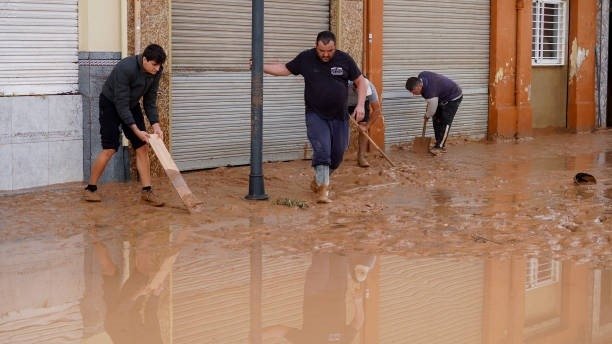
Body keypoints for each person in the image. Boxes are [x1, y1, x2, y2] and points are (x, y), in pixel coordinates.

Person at [262, 30, 368, 203]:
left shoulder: (344, 59)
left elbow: (360, 81)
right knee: (322, 150)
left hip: (339, 116)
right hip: (316, 115)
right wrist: (261, 65)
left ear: (335, 47)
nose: (326, 54)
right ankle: (324, 190)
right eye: (321, 51)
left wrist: (361, 104)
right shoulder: (306, 58)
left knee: (338, 154)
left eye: (330, 51)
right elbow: (285, 69)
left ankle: (318, 180)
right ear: (315, 47)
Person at [83, 43, 167, 206]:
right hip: (111, 104)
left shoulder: (156, 72)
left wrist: (156, 125)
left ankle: (147, 191)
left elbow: (150, 100)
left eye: (159, 65)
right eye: (154, 65)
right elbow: (120, 104)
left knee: (142, 146)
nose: (157, 69)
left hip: (131, 104)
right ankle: (90, 188)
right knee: (110, 148)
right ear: (145, 60)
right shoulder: (126, 68)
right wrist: (136, 130)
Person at [261, 252, 376, 343]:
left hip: (315, 291)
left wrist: (257, 337)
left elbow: (281, 330)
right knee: (341, 254)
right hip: (338, 291)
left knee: (323, 252)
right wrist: (358, 301)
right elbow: (358, 321)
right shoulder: (343, 342)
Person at [405, 71, 463, 154]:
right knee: (436, 119)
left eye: (413, 91)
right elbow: (432, 103)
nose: (413, 94)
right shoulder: (422, 75)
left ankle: (440, 146)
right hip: (440, 96)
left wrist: (427, 115)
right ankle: (438, 142)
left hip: (453, 97)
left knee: (445, 122)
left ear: (419, 86)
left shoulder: (430, 92)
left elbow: (432, 110)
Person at [347, 77, 382, 167]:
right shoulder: (345, 85)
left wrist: (367, 126)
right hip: (344, 104)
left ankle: (361, 157)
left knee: (363, 127)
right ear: (355, 88)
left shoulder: (370, 88)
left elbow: (377, 110)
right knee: (338, 127)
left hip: (362, 104)